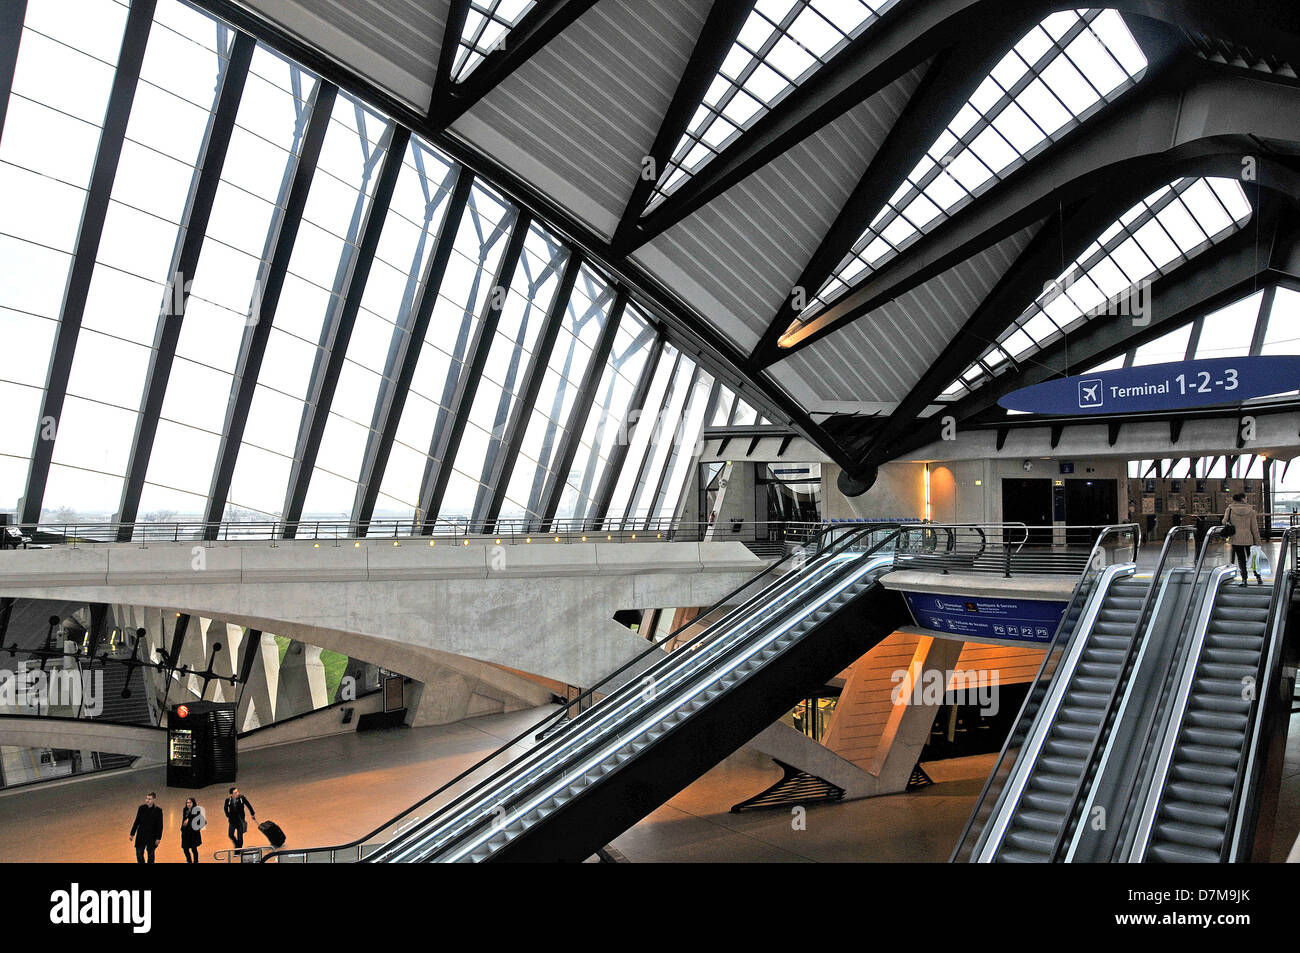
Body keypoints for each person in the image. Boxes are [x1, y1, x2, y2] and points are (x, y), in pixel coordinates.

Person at [1222, 493, 1263, 587]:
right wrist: (1258, 541)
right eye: (1246, 498)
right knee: (1253, 558)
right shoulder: (1251, 511)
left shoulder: (1230, 509)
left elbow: (1224, 521)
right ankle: (1258, 577)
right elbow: (1254, 528)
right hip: (1249, 538)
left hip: (1236, 538)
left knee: (1241, 559)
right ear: (1243, 499)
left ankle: (1244, 579)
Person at [129, 792, 163, 864]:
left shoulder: (158, 811)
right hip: (141, 835)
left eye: (149, 799)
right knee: (139, 854)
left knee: (151, 855)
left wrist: (158, 838)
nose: (147, 800)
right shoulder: (141, 808)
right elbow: (137, 821)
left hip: (152, 836)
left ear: (154, 799)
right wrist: (132, 833)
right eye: (147, 798)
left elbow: (160, 826)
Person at [181, 797, 204, 863]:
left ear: (193, 803)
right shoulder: (185, 810)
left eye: (190, 802)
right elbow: (184, 820)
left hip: (193, 834)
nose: (188, 804)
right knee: (185, 848)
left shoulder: (197, 810)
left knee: (194, 849)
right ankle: (189, 860)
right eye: (187, 802)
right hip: (185, 833)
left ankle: (196, 861)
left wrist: (189, 819)